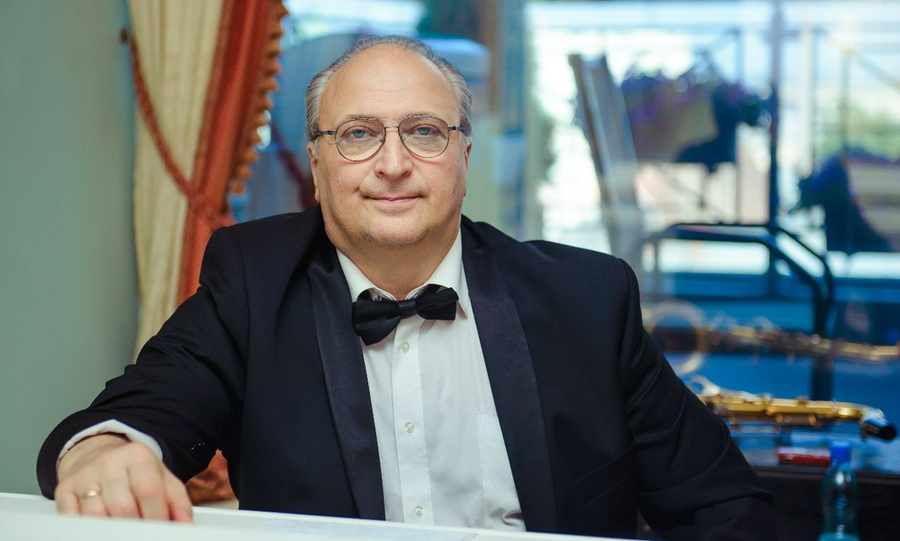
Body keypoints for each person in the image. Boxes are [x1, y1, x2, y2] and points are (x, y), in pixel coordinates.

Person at [38, 35, 774, 539]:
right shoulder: (254, 284)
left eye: (423, 131)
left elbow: (723, 507)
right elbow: (144, 409)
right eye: (358, 135)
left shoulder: (587, 299)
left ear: (464, 156)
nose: (392, 165)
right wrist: (105, 453)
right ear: (317, 168)